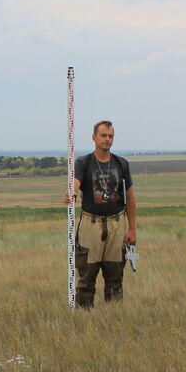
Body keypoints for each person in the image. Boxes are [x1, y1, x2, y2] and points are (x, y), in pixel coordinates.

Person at [64, 120, 137, 308]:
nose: (107, 139)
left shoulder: (121, 164)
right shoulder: (84, 162)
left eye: (110, 136)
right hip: (91, 226)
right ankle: (83, 318)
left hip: (116, 225)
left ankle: (113, 318)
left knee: (115, 277)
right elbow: (76, 182)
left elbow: (130, 197)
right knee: (86, 276)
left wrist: (132, 230)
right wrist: (71, 193)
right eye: (103, 135)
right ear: (94, 137)